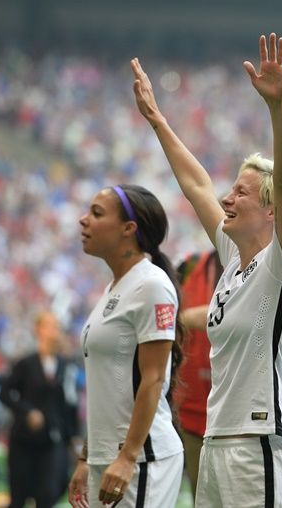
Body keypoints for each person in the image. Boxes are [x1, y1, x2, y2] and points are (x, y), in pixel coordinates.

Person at [132, 32, 282, 507]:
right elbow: (195, 183)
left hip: (261, 449)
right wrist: (157, 120)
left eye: (240, 192)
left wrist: (278, 108)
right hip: (217, 442)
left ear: (273, 209)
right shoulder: (235, 261)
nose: (226, 199)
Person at [68, 184, 185, 508]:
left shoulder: (151, 285)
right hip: (108, 457)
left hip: (141, 459)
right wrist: (88, 456)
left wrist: (127, 458)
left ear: (128, 229)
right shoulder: (114, 287)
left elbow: (153, 379)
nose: (83, 220)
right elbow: (107, 386)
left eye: (96, 213)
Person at [0, 311, 77, 508]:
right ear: (38, 330)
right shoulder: (26, 364)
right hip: (24, 440)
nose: (55, 330)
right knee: (19, 495)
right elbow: (6, 393)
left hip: (52, 439)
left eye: (57, 326)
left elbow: (69, 404)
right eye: (50, 325)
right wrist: (27, 412)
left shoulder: (65, 365)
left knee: (49, 492)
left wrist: (73, 437)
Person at [174, 250, 222, 501]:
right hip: (193, 412)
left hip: (247, 418)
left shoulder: (270, 262)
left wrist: (211, 316)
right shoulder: (190, 265)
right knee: (202, 498)